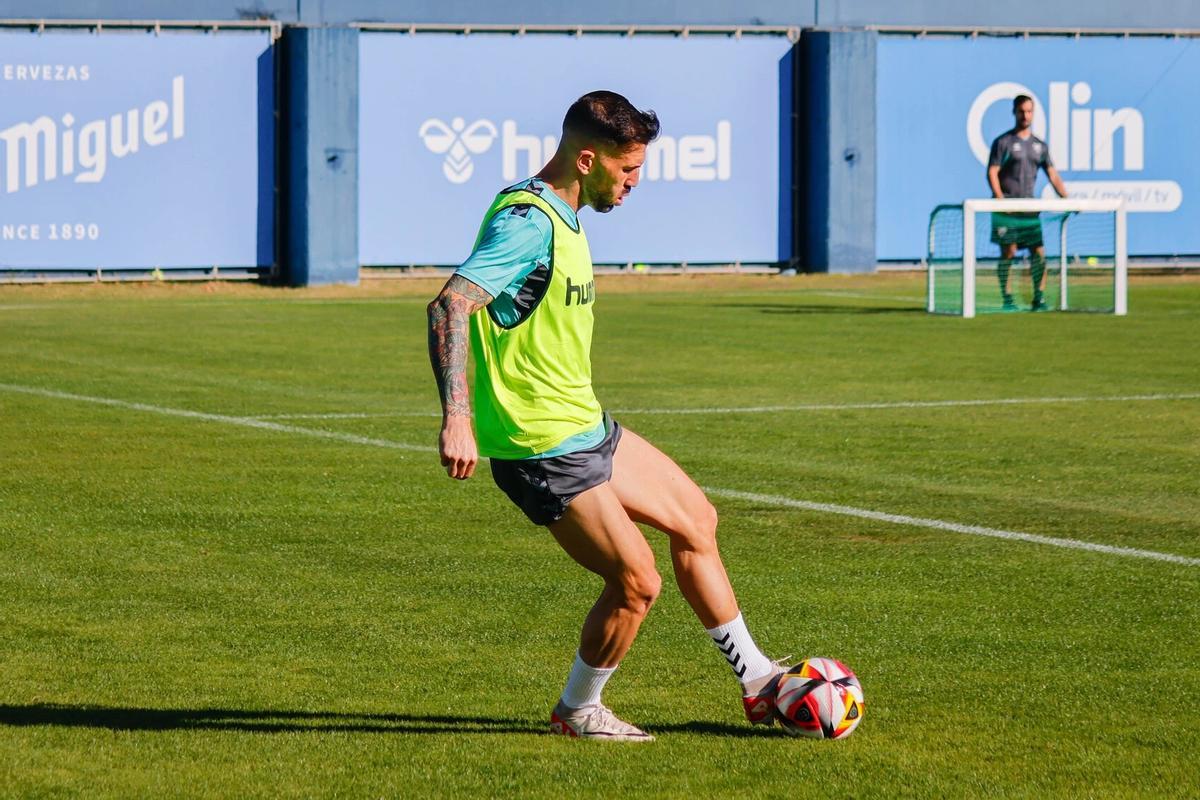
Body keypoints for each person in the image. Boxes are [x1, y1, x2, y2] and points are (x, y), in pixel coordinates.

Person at [426, 91, 784, 742]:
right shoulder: (529, 223)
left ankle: (758, 682)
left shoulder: (563, 213)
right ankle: (578, 710)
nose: (634, 184)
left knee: (697, 520)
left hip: (584, 426)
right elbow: (449, 307)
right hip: (539, 445)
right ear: (586, 159)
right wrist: (458, 419)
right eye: (627, 171)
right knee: (636, 583)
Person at [987, 94, 1069, 311]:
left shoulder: (1039, 146)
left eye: (1029, 111)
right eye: (1022, 111)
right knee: (1009, 252)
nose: (1025, 115)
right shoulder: (1003, 142)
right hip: (1007, 209)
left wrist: (1066, 198)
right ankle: (1007, 298)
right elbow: (992, 171)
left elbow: (1052, 174)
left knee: (1038, 252)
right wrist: (999, 199)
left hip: (1029, 211)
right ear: (1014, 112)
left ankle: (1038, 297)